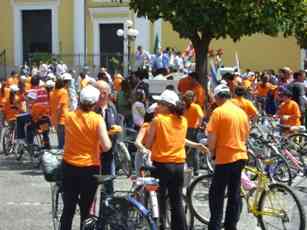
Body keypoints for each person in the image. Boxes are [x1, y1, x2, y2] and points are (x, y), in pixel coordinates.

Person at [145, 89, 206, 230]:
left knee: (159, 199)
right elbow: (179, 139)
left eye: (160, 103)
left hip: (161, 164)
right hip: (178, 164)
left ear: (167, 106)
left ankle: (160, 226)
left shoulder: (157, 120)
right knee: (176, 200)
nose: (157, 106)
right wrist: (196, 144)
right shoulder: (183, 121)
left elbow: (148, 144)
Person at [60, 85, 112, 230]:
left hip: (69, 165)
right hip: (90, 167)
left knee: (68, 208)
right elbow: (107, 146)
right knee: (86, 210)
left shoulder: (70, 117)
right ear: (95, 103)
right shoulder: (97, 119)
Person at [207, 84, 249, 230]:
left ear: (218, 97)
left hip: (225, 157)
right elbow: (246, 135)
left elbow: (211, 138)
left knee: (216, 195)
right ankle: (231, 226)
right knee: (234, 194)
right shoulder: (241, 112)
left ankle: (215, 226)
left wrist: (211, 152)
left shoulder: (218, 112)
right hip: (241, 156)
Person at [95, 80, 122, 194]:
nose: (101, 95)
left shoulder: (111, 107)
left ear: (108, 94)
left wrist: (117, 129)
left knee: (109, 181)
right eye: (99, 92)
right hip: (93, 152)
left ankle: (108, 206)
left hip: (109, 151)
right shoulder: (92, 108)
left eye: (104, 92)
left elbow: (116, 123)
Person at [183, 90, 204, 176]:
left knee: (185, 149)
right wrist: (198, 125)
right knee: (194, 150)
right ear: (193, 98)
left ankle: (187, 167)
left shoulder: (183, 106)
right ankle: (196, 170)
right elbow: (201, 116)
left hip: (184, 129)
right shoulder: (196, 106)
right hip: (193, 130)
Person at [50, 77, 70, 149]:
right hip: (62, 117)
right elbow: (60, 106)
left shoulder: (52, 92)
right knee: (64, 138)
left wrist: (55, 119)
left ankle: (61, 151)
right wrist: (58, 118)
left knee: (60, 137)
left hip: (55, 117)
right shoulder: (64, 92)